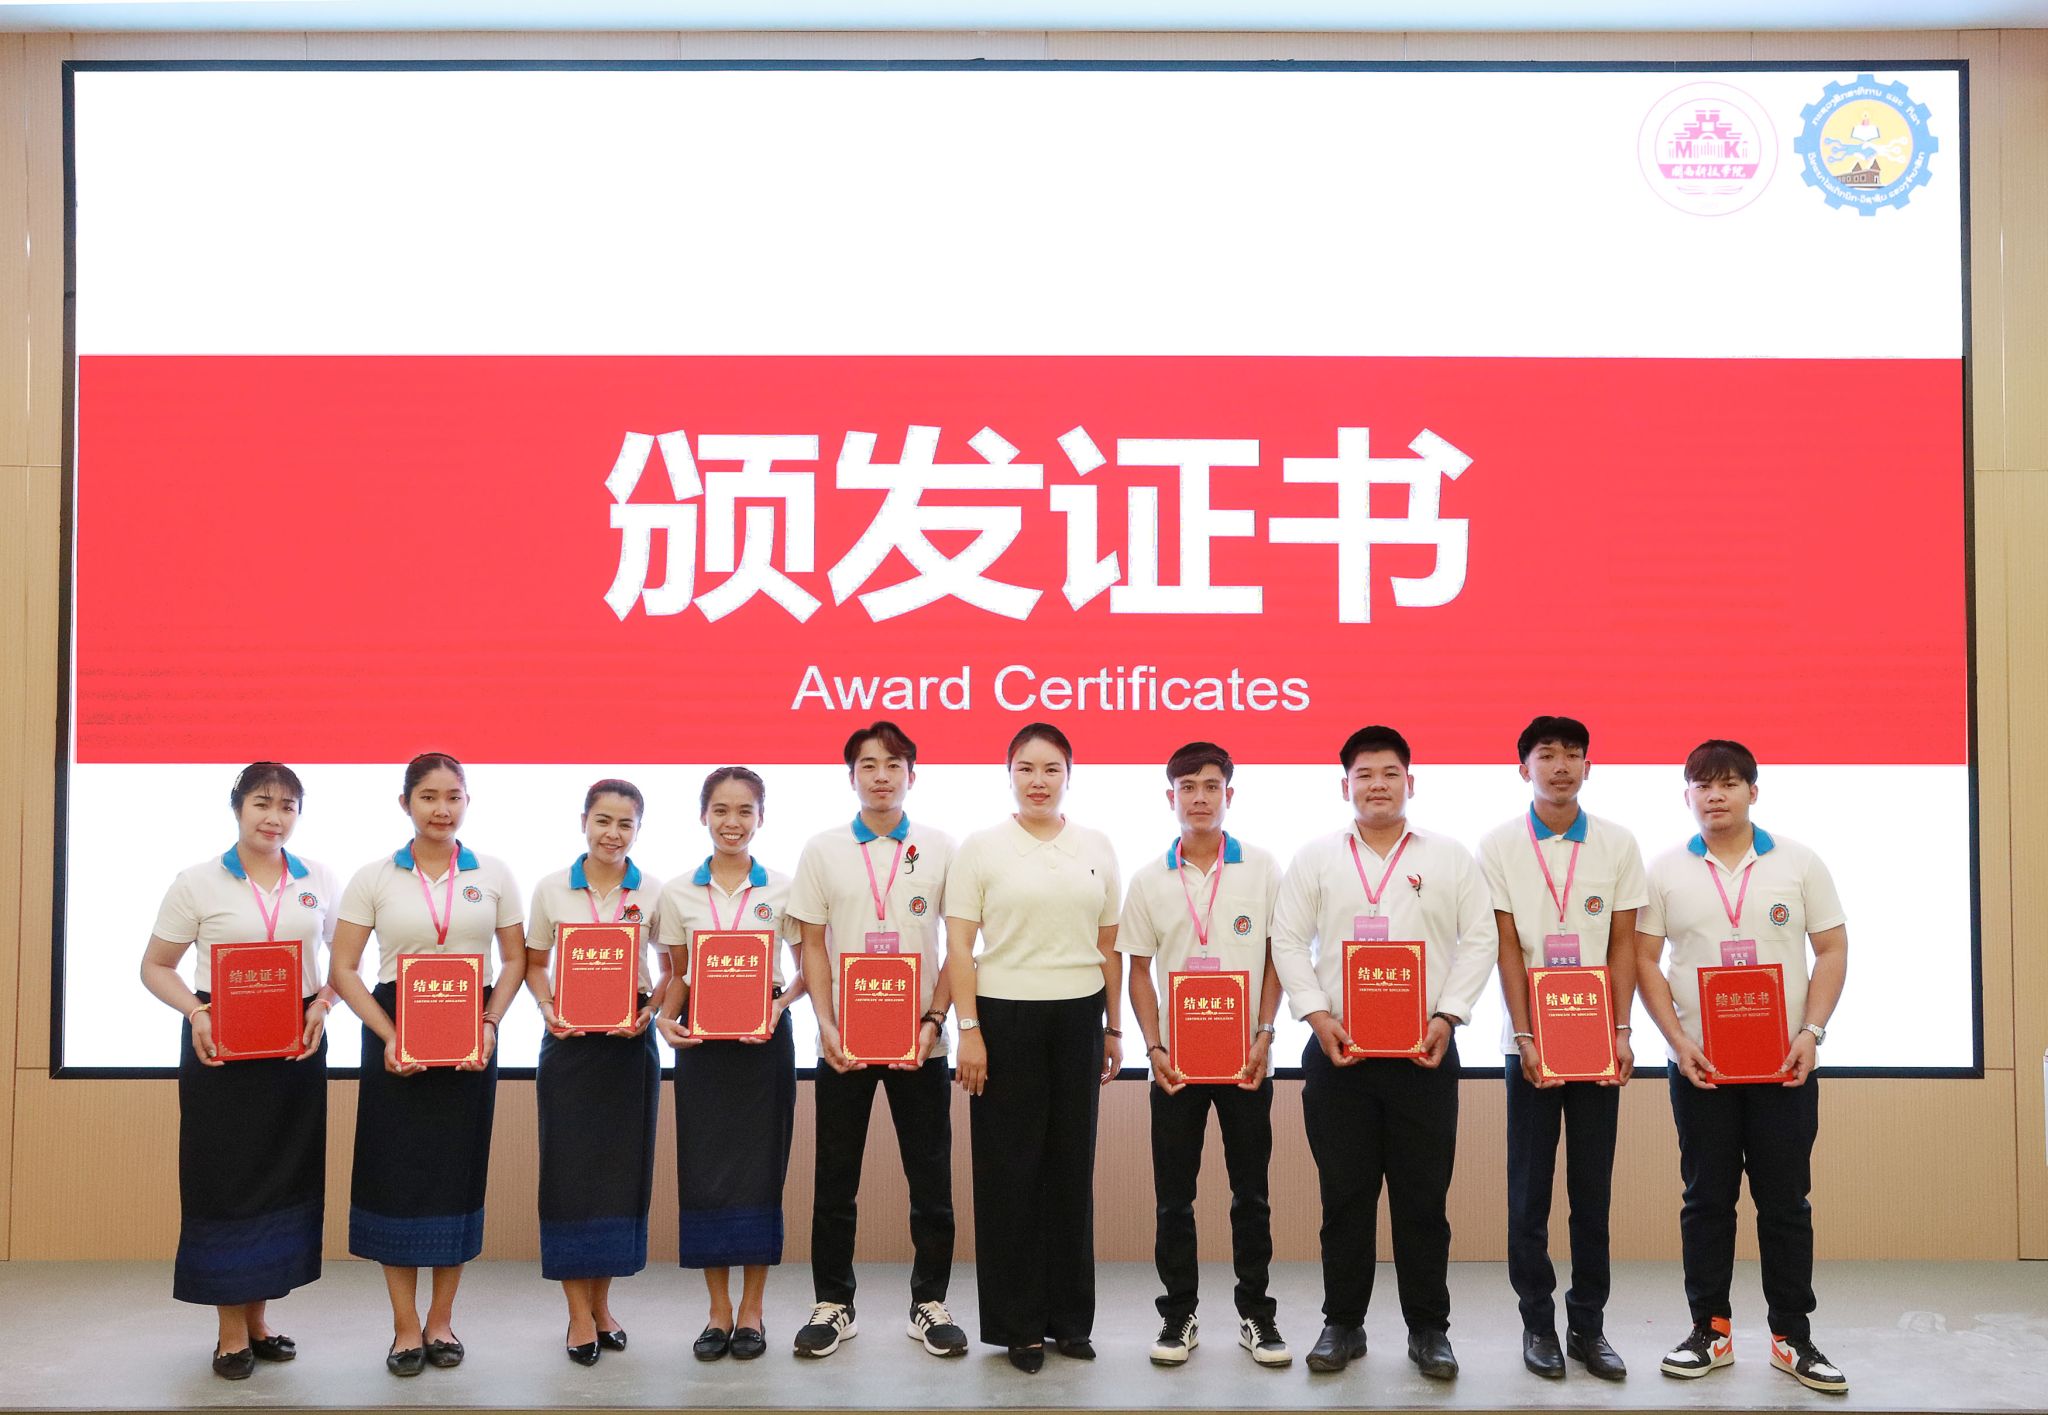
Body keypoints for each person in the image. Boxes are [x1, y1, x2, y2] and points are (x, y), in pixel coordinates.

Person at [1269, 724, 1497, 1381]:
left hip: (1425, 1053)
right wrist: (1317, 1015)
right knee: (1345, 1196)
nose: (1377, 785)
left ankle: (1429, 1330)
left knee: (1423, 1200)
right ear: (1345, 785)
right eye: (1364, 774)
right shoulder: (1316, 857)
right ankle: (1343, 1322)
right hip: (1338, 1053)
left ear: (1410, 782)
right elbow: (1288, 939)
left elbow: (1480, 938)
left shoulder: (1449, 856)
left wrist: (1448, 1015)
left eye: (1389, 773)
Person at [1635, 739, 1849, 1394]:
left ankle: (1792, 1337)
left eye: (1728, 783)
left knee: (1785, 1202)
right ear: (1687, 795)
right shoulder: (1664, 870)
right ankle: (1711, 1330)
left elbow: (1832, 948)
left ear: (1753, 791)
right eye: (1702, 785)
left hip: (1784, 1065)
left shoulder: (1799, 862)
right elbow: (1644, 959)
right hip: (1701, 1067)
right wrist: (1677, 1041)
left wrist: (1812, 1032)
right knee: (1706, 1200)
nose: (1715, 795)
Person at [329, 753, 528, 1377]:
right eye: (429, 797)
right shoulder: (373, 876)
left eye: (453, 797)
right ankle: (404, 1326)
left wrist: (490, 1022)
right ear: (406, 803)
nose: (442, 809)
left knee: (455, 1178)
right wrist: (390, 1035)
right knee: (396, 1179)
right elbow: (343, 969)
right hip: (395, 1035)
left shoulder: (493, 872)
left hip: (470, 1035)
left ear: (467, 801)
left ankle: (441, 1321)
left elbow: (515, 960)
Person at [140, 762, 340, 1380]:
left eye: (287, 806)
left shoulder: (318, 879)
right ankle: (230, 1331)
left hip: (296, 1047)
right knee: (226, 1180)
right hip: (221, 1046)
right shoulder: (197, 882)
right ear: (237, 808)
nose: (274, 817)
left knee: (282, 1178)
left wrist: (326, 1003)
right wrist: (196, 1012)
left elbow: (346, 961)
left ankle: (259, 1320)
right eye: (262, 803)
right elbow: (155, 966)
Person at [944, 721, 1124, 1373]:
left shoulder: (1096, 844)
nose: (1038, 781)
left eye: (1051, 769)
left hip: (1079, 1017)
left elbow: (1108, 946)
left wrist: (1113, 1027)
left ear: (1069, 775)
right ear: (1009, 775)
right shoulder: (981, 848)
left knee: (1071, 1168)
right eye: (1026, 768)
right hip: (1004, 1016)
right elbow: (959, 945)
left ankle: (1070, 1320)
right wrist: (969, 1029)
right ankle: (1017, 1324)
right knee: (1009, 1171)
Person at [788, 722, 966, 1359]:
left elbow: (959, 945)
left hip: (922, 1044)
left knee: (931, 1181)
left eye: (894, 765)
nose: (882, 776)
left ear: (912, 775)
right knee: (835, 1180)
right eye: (869, 765)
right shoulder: (823, 849)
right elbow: (812, 945)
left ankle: (930, 1303)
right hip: (844, 1045)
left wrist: (934, 1020)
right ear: (852, 777)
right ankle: (833, 1303)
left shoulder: (941, 847)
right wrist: (826, 1025)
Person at [1477, 715, 1643, 1382]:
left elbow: (1623, 944)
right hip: (1530, 1046)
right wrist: (1524, 1036)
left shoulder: (1617, 842)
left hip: (1598, 1042)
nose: (1562, 765)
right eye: (1547, 754)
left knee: (1591, 1192)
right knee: (1529, 1192)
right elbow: (1506, 948)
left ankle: (1589, 1326)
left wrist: (1623, 1031)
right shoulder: (1498, 845)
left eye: (1574, 754)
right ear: (1525, 768)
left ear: (1588, 767)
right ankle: (1538, 1324)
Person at [1119, 741, 1289, 1368]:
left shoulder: (1263, 868)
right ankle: (1178, 1315)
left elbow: (1276, 956)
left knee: (1252, 1196)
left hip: (1247, 1061)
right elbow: (1139, 971)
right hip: (1176, 1066)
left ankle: (1256, 1316)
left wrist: (1266, 1033)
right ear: (1171, 797)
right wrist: (1154, 1046)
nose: (1199, 797)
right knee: (1174, 1199)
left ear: (1228, 794)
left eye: (1211, 786)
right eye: (1187, 787)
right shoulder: (1148, 879)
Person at [654, 767, 805, 1363]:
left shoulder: (785, 889)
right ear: (703, 816)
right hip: (703, 1048)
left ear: (761, 818)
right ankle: (718, 1311)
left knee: (761, 1173)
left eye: (745, 811)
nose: (732, 822)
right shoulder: (677, 893)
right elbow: (678, 974)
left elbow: (806, 970)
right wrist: (665, 1020)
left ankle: (753, 1310)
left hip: (764, 1041)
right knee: (707, 1174)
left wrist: (778, 1008)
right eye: (721, 810)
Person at [521, 779, 667, 1365]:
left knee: (618, 1177)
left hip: (630, 1045)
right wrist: (548, 1007)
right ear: (584, 821)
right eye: (603, 821)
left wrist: (651, 1012)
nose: (613, 833)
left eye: (625, 824)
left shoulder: (653, 891)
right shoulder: (551, 888)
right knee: (570, 1176)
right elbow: (534, 963)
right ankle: (577, 1314)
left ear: (638, 829)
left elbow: (671, 969)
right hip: (570, 1044)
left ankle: (602, 1306)